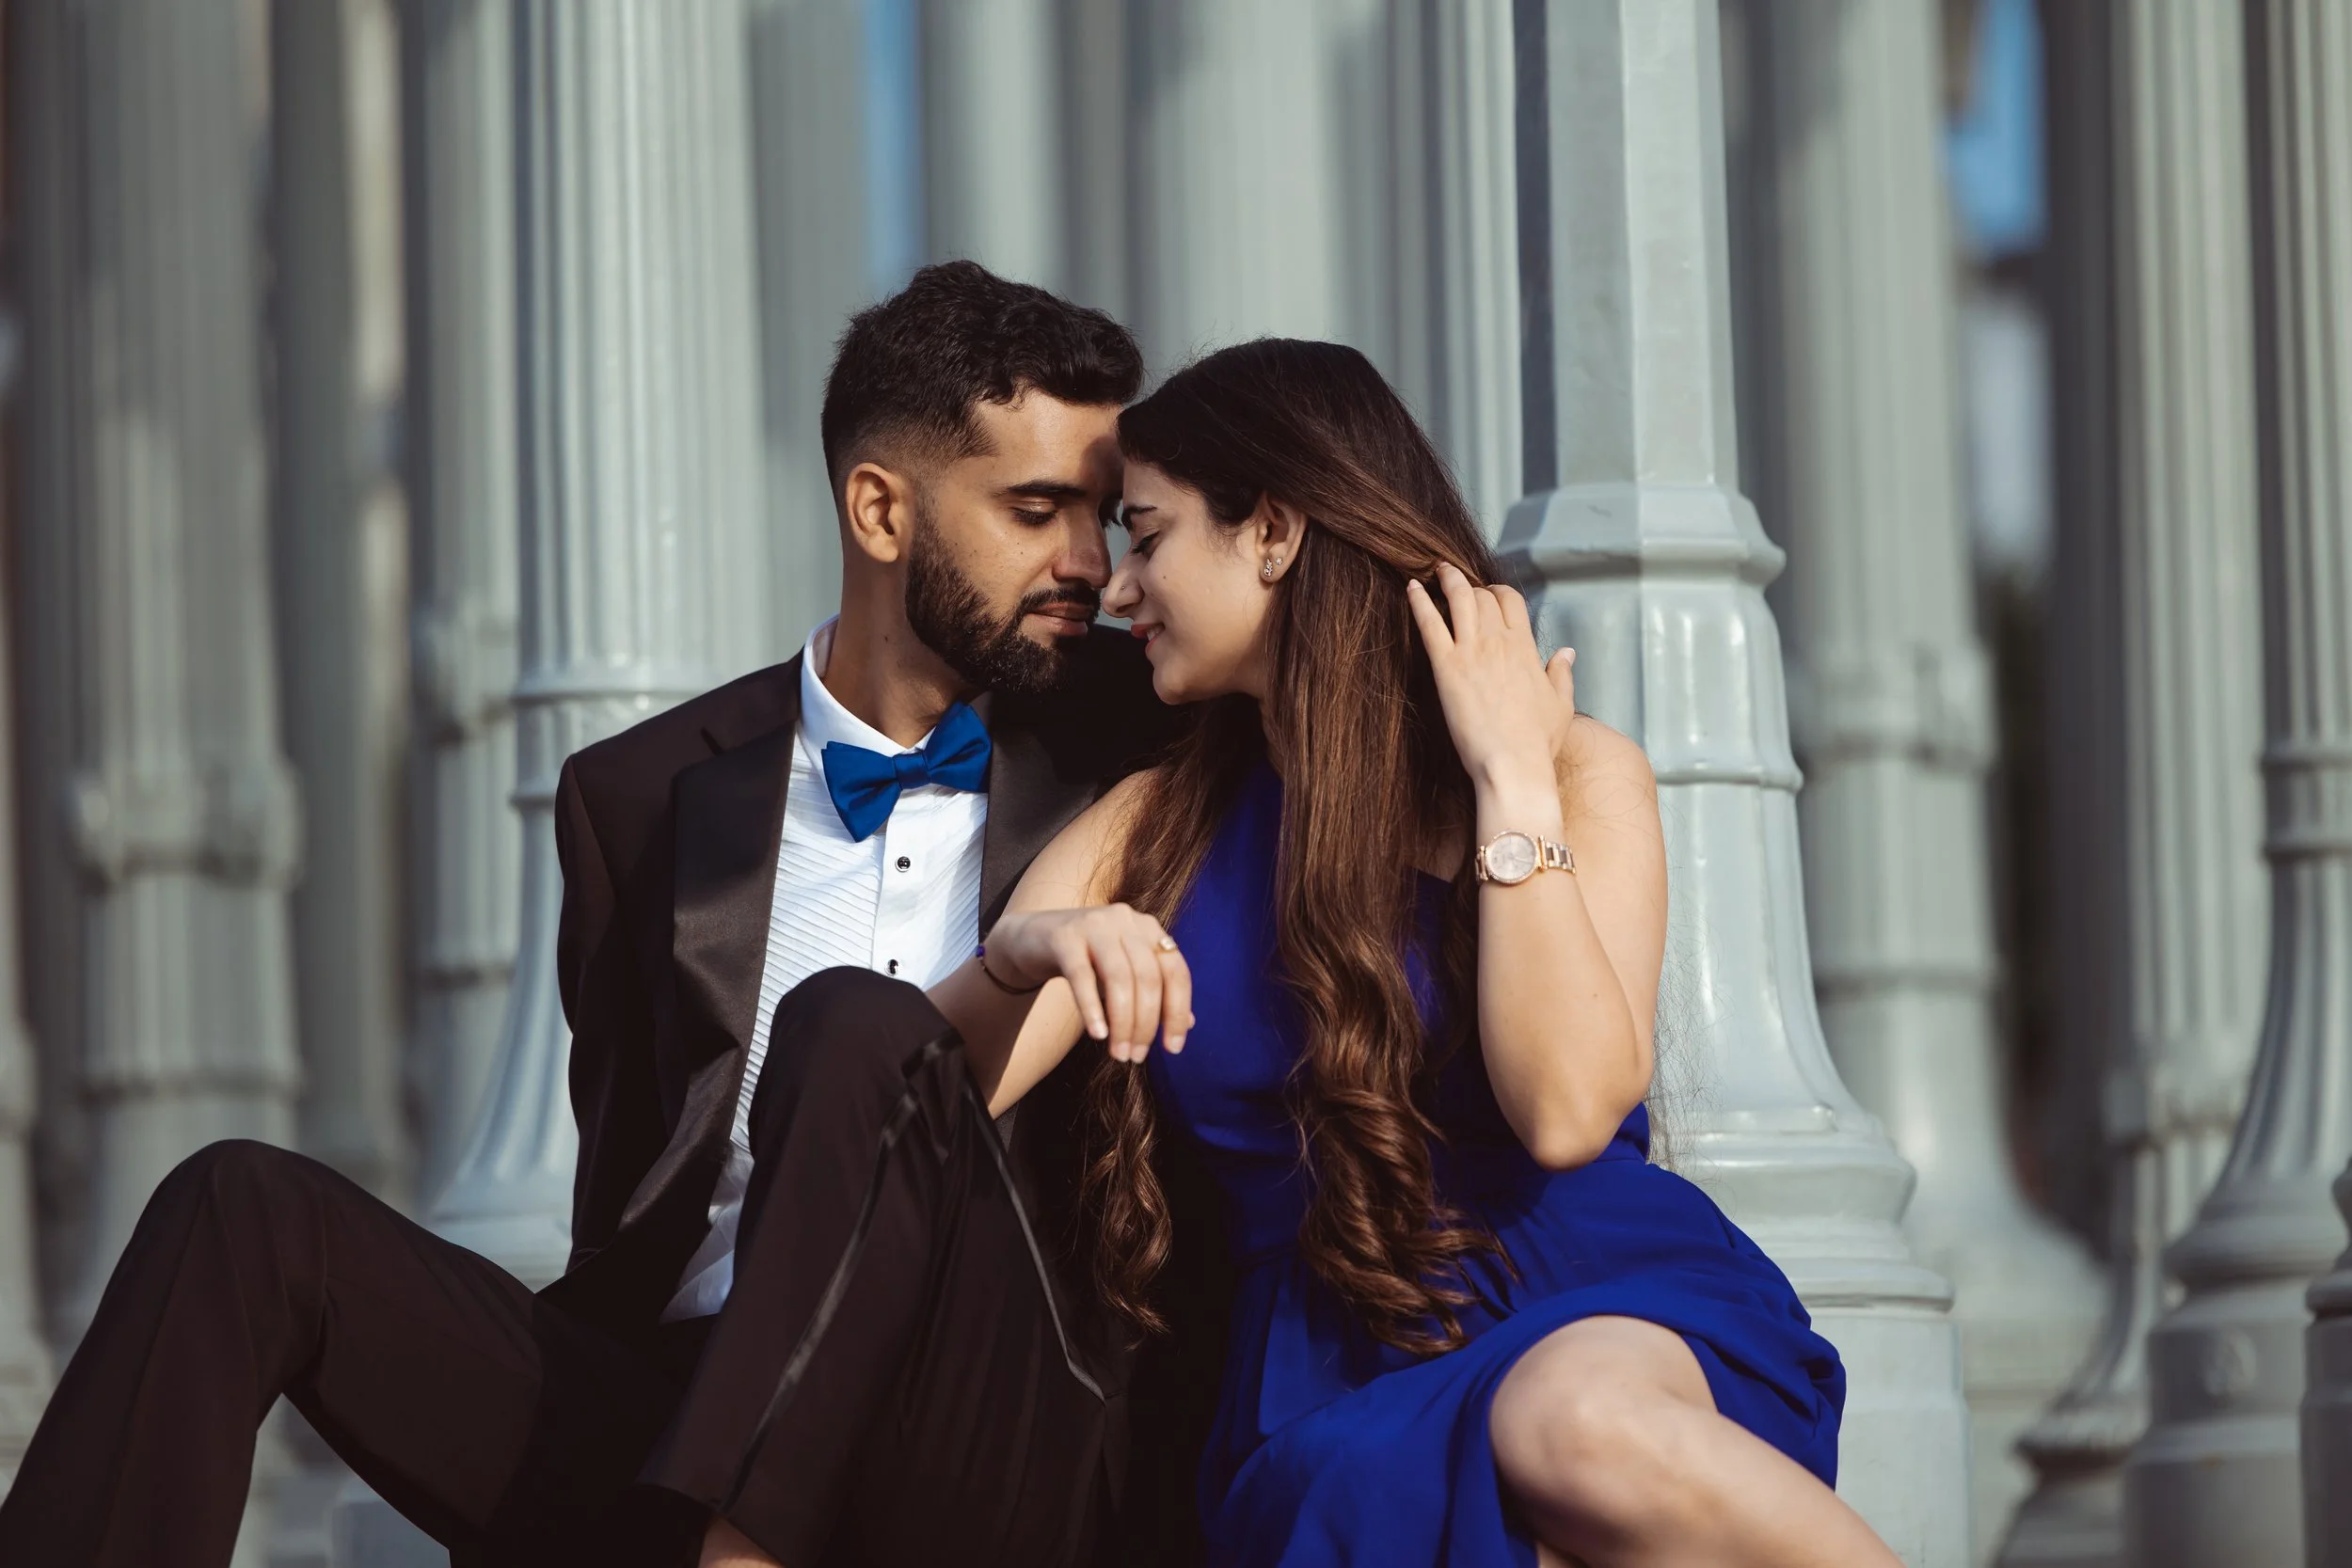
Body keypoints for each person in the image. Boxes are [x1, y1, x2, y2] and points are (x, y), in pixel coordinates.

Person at [0, 261, 1191, 1568]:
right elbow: (633, 1206)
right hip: (683, 1397)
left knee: (851, 1023)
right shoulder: (639, 798)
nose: (1088, 560)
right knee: (240, 1209)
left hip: (978, 1422)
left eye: (1102, 516)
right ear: (879, 509)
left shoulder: (1145, 744)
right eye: (1037, 508)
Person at [915, 339, 1902, 1567]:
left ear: (1269, 532)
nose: (1118, 585)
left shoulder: (1576, 771)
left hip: (1599, 1296)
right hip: (1330, 1374)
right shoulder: (1150, 826)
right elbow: (927, 1090)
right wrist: (1025, 947)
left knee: (1571, 1423)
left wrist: (1507, 784)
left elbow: (1563, 1112)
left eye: (1148, 534)